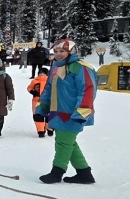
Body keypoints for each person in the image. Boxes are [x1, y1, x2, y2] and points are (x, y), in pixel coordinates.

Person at [35, 39, 98, 184]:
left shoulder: (80, 67)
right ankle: (84, 173)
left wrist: (82, 112)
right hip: (58, 112)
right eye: (56, 51)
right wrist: (42, 108)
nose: (58, 54)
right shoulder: (56, 67)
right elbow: (48, 89)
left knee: (63, 143)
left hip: (72, 114)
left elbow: (87, 90)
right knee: (68, 143)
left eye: (62, 51)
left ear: (71, 51)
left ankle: (57, 173)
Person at [27, 66, 53, 138]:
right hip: (37, 101)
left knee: (49, 116)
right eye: (40, 73)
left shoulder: (50, 81)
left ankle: (50, 129)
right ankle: (41, 131)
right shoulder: (34, 81)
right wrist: (32, 91)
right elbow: (29, 87)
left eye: (43, 73)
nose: (41, 75)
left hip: (48, 101)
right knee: (38, 116)